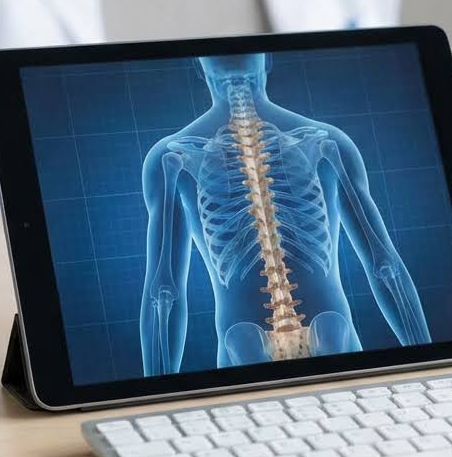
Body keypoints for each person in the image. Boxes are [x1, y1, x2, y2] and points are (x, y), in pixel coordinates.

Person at [138, 53, 431, 375]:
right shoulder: (173, 156)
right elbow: (164, 290)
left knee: (330, 329)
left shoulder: (325, 142)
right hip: (243, 340)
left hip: (330, 330)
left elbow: (384, 263)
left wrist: (431, 366)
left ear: (268, 59)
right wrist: (154, 392)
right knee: (242, 339)